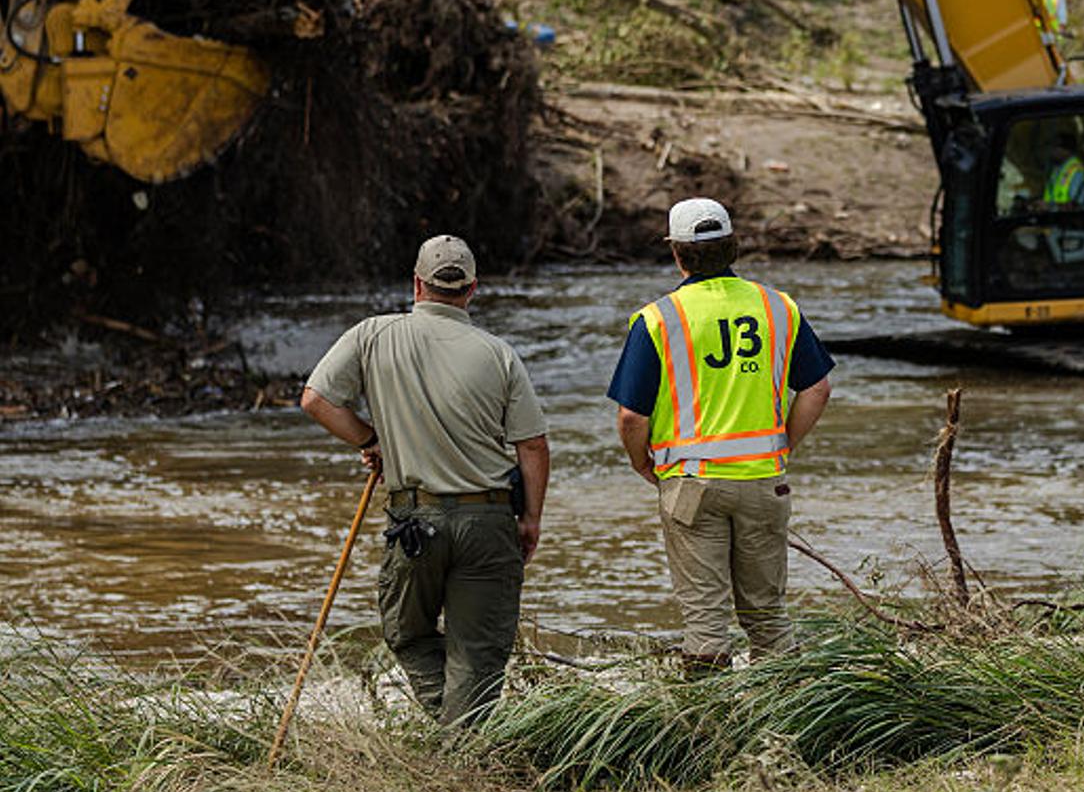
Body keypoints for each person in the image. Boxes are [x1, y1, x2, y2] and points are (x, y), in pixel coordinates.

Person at [301, 233, 550, 726]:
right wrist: (531, 520)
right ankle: (463, 741)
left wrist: (370, 442)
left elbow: (316, 400)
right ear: (473, 290)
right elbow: (533, 446)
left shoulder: (372, 334)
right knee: (478, 653)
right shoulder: (498, 353)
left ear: (417, 284)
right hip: (489, 517)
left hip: (416, 521)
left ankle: (457, 744)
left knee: (407, 633)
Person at [609, 197, 833, 673]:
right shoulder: (779, 307)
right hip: (764, 482)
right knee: (768, 616)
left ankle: (711, 732)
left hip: (691, 484)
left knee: (706, 623)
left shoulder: (658, 319)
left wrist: (641, 464)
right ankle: (789, 725)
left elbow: (631, 417)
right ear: (733, 247)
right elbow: (817, 388)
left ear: (677, 254)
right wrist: (782, 446)